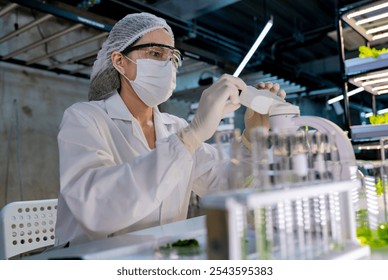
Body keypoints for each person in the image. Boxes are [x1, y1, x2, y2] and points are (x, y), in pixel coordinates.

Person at [54, 12, 285, 246]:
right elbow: (97, 208)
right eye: (155, 53)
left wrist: (252, 139)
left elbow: (227, 187)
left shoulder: (175, 127)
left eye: (172, 57)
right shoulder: (85, 118)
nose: (166, 65)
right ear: (119, 61)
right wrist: (190, 137)